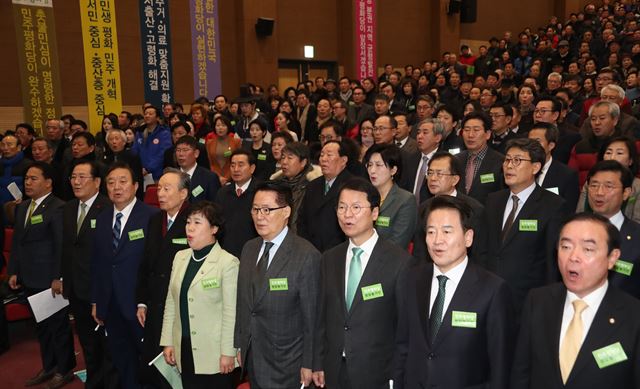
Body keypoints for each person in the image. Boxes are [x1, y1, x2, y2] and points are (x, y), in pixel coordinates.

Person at [394, 195, 515, 389]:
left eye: (447, 232)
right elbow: (403, 345)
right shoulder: (412, 279)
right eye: (431, 232)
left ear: (468, 238)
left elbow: (500, 366)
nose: (437, 240)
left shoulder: (493, 290)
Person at [511, 213, 640, 389]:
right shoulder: (538, 301)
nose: (573, 257)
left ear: (612, 258)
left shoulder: (633, 316)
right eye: (565, 246)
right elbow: (521, 373)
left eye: (587, 249)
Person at [312, 177, 411, 388]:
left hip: (378, 373)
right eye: (342, 207)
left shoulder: (399, 261)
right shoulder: (329, 258)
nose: (348, 214)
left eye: (356, 207)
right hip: (334, 369)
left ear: (375, 213)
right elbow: (321, 316)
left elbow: (405, 327)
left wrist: (397, 375)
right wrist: (318, 362)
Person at [234, 181, 321, 389]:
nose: (259, 216)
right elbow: (244, 302)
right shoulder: (249, 248)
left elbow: (313, 318)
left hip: (289, 363)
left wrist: (310, 363)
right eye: (255, 209)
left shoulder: (306, 255)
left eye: (267, 210)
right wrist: (239, 342)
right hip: (253, 357)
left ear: (286, 212)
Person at [477, 138, 567, 313]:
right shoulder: (493, 200)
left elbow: (552, 259)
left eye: (517, 160)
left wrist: (548, 302)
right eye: (507, 159)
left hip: (528, 299)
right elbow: (482, 248)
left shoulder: (553, 205)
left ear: (535, 167)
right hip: (489, 293)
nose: (509, 166)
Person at [91, 162, 159, 389]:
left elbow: (154, 266)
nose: (116, 187)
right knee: (121, 361)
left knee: (148, 363)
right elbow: (98, 264)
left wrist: (148, 302)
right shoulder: (100, 219)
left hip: (139, 305)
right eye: (111, 183)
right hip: (110, 305)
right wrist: (97, 301)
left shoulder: (152, 217)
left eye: (122, 182)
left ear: (136, 186)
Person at [8, 162, 76, 388]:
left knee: (58, 326)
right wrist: (14, 271)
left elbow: (61, 246)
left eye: (33, 178)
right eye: (26, 178)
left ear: (48, 182)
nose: (28, 182)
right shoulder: (23, 207)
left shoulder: (58, 207)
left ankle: (65, 369)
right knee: (42, 327)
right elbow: (18, 242)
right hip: (29, 277)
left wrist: (59, 277)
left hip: (50, 280)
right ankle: (49, 366)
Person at [160, 201, 239, 389]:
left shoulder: (227, 262)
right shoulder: (180, 257)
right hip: (184, 347)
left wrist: (228, 352)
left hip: (214, 352)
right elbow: (172, 302)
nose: (190, 228)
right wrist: (168, 341)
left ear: (214, 229)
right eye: (188, 222)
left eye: (197, 222)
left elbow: (231, 313)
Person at [60, 161, 117, 389]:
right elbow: (65, 248)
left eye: (82, 177)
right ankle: (94, 382)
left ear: (96, 182)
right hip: (75, 288)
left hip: (99, 289)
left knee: (106, 344)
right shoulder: (68, 208)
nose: (76, 181)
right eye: (73, 177)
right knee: (87, 342)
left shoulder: (108, 208)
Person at [136, 169, 191, 388]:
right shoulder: (154, 219)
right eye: (159, 188)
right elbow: (145, 263)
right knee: (153, 365)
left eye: (167, 189)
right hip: (155, 304)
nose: (160, 193)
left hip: (180, 306)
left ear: (183, 193)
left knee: (179, 364)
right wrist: (141, 300)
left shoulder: (194, 220)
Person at [413, 152, 485, 262]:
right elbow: (419, 250)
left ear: (455, 180)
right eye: (430, 173)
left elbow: (478, 253)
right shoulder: (423, 207)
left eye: (439, 174)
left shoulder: (473, 209)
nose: (433, 178)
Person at [584, 160, 640, 299]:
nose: (599, 192)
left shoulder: (637, 236)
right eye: (594, 185)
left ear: (626, 193)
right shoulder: (572, 229)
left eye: (608, 186)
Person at [298, 140, 352, 252]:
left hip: (339, 251)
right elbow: (302, 219)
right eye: (322, 155)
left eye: (329, 155)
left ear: (343, 160)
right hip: (311, 250)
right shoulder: (313, 185)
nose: (323, 159)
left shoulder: (352, 186)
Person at [577, 136, 640, 223]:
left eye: (619, 153)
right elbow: (580, 215)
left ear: (630, 160)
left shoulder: (637, 186)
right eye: (608, 152)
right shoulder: (590, 182)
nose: (612, 157)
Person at [364, 144, 417, 249]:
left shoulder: (405, 200)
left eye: (378, 165)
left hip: (390, 260)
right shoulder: (364, 196)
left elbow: (398, 242)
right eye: (370, 165)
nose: (372, 170)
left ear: (393, 170)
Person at [215, 150, 259, 258]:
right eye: (232, 165)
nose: (236, 169)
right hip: (225, 253)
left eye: (241, 165)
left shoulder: (261, 192)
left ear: (252, 168)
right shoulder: (222, 193)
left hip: (253, 253)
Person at [527, 122, 580, 212]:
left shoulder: (567, 175)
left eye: (537, 141)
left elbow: (569, 210)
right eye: (529, 141)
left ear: (551, 145)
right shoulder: (521, 170)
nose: (531, 146)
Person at [456, 111, 505, 205]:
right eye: (466, 130)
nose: (470, 135)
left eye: (476, 130)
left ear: (487, 134)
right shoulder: (456, 160)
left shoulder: (500, 162)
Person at [272, 142, 322, 234]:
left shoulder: (314, 185)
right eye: (283, 157)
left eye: (290, 158)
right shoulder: (276, 183)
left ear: (303, 162)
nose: (284, 162)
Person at [400, 118, 444, 205]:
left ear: (437, 138)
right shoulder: (409, 159)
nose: (419, 136)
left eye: (425, 132)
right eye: (418, 132)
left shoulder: (444, 161)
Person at [132, 106, 172, 183]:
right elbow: (134, 151)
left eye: (150, 114)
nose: (147, 116)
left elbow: (162, 154)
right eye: (145, 114)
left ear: (157, 117)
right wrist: (138, 168)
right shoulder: (139, 133)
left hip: (157, 175)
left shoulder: (164, 133)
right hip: (140, 173)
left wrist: (148, 168)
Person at [175, 136, 221, 204]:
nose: (181, 154)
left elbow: (215, 206)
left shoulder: (210, 178)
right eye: (178, 150)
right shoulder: (171, 176)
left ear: (196, 153)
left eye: (185, 150)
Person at [206, 115, 242, 185]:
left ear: (228, 127)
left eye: (223, 125)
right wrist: (218, 177)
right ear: (214, 127)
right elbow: (211, 163)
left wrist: (227, 178)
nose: (220, 128)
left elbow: (238, 161)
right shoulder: (209, 143)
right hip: (215, 177)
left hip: (233, 177)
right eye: (218, 125)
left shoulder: (236, 142)